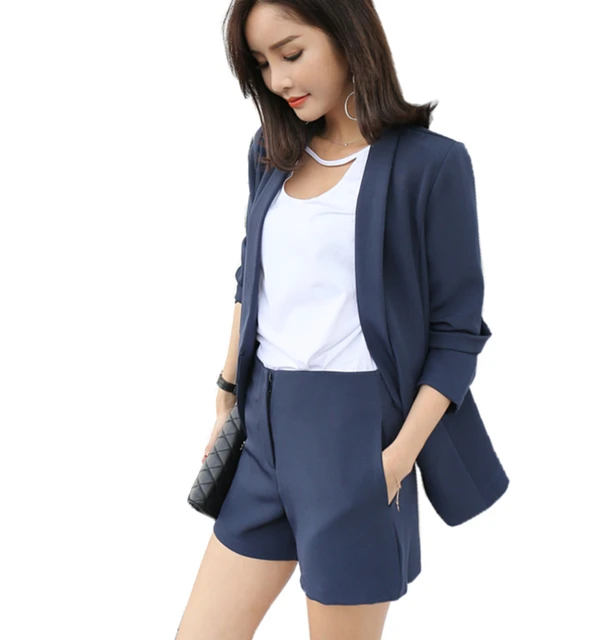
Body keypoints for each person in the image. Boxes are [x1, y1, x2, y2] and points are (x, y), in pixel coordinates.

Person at [176, 1, 508, 638]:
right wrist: (225, 396)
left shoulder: (430, 165)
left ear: (348, 35)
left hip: (358, 441)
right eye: (261, 63)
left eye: (291, 53)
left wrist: (394, 461)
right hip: (263, 432)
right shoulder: (271, 152)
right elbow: (251, 277)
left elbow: (457, 333)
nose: (278, 80)